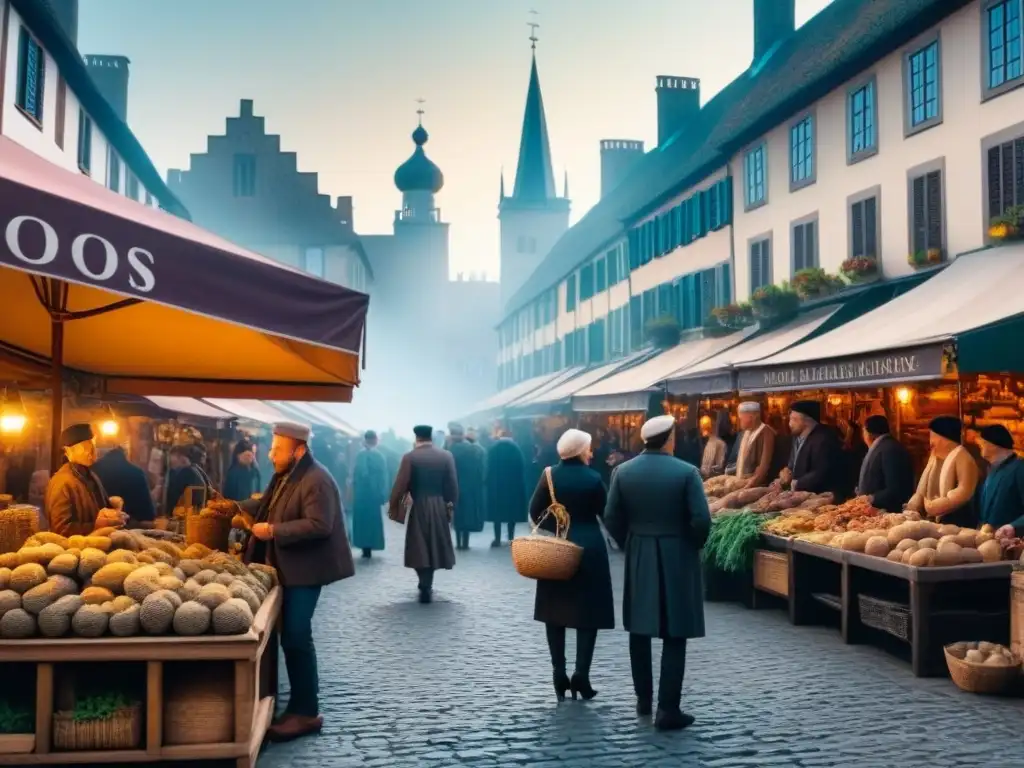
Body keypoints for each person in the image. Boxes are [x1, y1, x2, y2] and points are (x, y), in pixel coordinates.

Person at [243, 422, 354, 742]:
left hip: (306, 570)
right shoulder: (288, 475)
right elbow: (269, 505)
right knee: (291, 637)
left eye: (277, 449)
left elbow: (319, 524)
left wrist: (274, 531)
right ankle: (296, 706)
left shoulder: (315, 480)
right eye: (272, 448)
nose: (270, 454)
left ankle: (306, 712)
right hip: (291, 567)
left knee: (296, 636)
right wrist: (235, 507)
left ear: (299, 451)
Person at [603, 415, 711, 731]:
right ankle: (668, 707)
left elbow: (611, 517)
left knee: (639, 628)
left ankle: (643, 700)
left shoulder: (622, 472)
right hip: (677, 553)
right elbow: (701, 520)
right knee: (675, 631)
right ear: (669, 438)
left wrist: (630, 542)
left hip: (639, 552)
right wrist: (691, 544)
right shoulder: (687, 472)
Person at [529, 429, 614, 702]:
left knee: (555, 610)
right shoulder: (593, 478)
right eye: (589, 448)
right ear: (580, 450)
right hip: (589, 548)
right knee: (587, 614)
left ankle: (558, 672)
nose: (592, 452)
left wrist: (558, 523)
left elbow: (534, 510)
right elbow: (608, 513)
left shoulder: (549, 475)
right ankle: (582, 674)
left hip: (557, 547)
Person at [388, 425, 458, 603]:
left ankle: (423, 581)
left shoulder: (410, 457)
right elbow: (452, 484)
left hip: (419, 505)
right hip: (439, 505)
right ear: (431, 437)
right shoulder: (446, 456)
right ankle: (428, 582)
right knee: (435, 545)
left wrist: (394, 505)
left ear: (416, 438)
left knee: (419, 545)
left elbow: (400, 484)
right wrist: (450, 504)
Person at [45, 424, 123, 536]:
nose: (92, 451)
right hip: (73, 551)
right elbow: (61, 529)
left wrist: (115, 514)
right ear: (68, 451)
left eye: (93, 446)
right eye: (85, 447)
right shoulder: (62, 482)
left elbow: (104, 508)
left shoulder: (90, 475)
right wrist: (96, 525)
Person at [906, 416, 979, 527]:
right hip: (931, 521)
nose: (930, 442)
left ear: (944, 437)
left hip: (956, 522)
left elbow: (964, 490)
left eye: (932, 436)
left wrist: (941, 505)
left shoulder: (963, 458)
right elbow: (923, 486)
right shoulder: (934, 458)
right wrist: (915, 504)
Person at [778, 401, 842, 495]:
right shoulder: (796, 436)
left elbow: (821, 472)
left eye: (794, 420)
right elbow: (792, 464)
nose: (790, 424)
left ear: (807, 421)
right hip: (797, 493)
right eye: (790, 419)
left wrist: (797, 483)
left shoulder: (823, 438)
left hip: (819, 496)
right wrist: (786, 472)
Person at [856, 415, 915, 512]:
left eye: (863, 431)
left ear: (869, 433)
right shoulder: (882, 446)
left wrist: (871, 498)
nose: (863, 436)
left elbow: (896, 487)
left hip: (887, 511)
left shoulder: (890, 449)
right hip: (872, 509)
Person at [975, 425, 1024, 538]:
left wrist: (1014, 526)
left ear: (993, 444)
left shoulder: (1020, 468)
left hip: (1012, 543)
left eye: (982, 443)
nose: (980, 446)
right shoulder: (992, 469)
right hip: (987, 539)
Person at [92, 442, 157, 526]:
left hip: (96, 526)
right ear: (125, 454)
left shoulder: (92, 471)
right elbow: (147, 513)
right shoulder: (136, 472)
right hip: (128, 525)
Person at [447, 423, 486, 550]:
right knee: (467, 514)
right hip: (470, 486)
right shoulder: (473, 449)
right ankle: (465, 542)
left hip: (455, 485)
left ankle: (458, 542)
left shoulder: (451, 450)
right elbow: (479, 468)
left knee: (458, 515)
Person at [485, 429, 527, 547]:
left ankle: (497, 539)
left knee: (496, 514)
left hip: (496, 486)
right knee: (511, 514)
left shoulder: (493, 449)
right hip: (513, 487)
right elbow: (521, 468)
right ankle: (511, 538)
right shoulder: (516, 449)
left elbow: (487, 466)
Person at [350, 430, 388, 558]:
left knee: (363, 521)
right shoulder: (379, 455)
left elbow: (360, 473)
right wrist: (382, 492)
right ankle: (371, 545)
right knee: (372, 520)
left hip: (362, 493)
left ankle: (365, 547)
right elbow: (383, 476)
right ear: (375, 440)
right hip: (374, 493)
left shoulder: (361, 455)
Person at [731, 402, 776, 488]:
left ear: (751, 417)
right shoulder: (744, 433)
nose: (739, 421)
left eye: (741, 419)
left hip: (757, 487)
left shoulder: (766, 432)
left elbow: (764, 465)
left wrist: (750, 484)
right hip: (742, 484)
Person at [164, 444, 211, 513]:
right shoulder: (198, 470)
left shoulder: (185, 473)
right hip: (200, 516)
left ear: (182, 458)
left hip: (187, 518)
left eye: (173, 463)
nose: (172, 467)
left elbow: (172, 501)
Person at [699, 412, 729, 479]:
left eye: (704, 427)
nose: (701, 430)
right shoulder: (705, 442)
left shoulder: (720, 444)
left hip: (712, 479)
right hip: (704, 477)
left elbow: (720, 466)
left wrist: (708, 471)